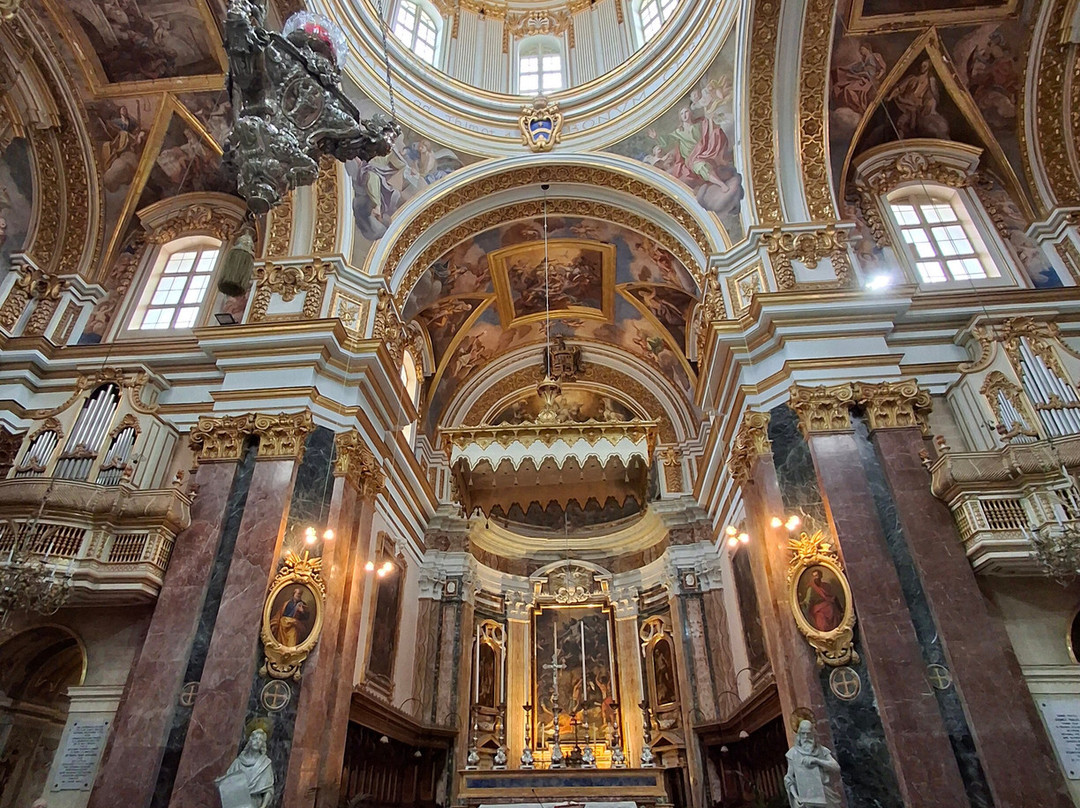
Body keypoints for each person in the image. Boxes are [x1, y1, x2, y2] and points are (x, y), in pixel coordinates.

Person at [784, 720, 842, 808]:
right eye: (803, 734)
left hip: (826, 795)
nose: (806, 737)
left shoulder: (822, 750)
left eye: (808, 733)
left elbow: (836, 767)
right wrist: (796, 797)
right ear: (799, 735)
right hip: (806, 798)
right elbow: (789, 779)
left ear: (813, 734)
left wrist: (817, 760)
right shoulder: (792, 754)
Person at [216, 729, 274, 808]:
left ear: (263, 744)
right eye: (255, 738)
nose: (257, 741)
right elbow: (228, 781)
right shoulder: (238, 762)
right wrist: (221, 783)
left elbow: (268, 790)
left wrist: (263, 807)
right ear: (250, 741)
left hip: (253, 803)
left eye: (260, 740)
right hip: (237, 802)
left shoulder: (265, 764)